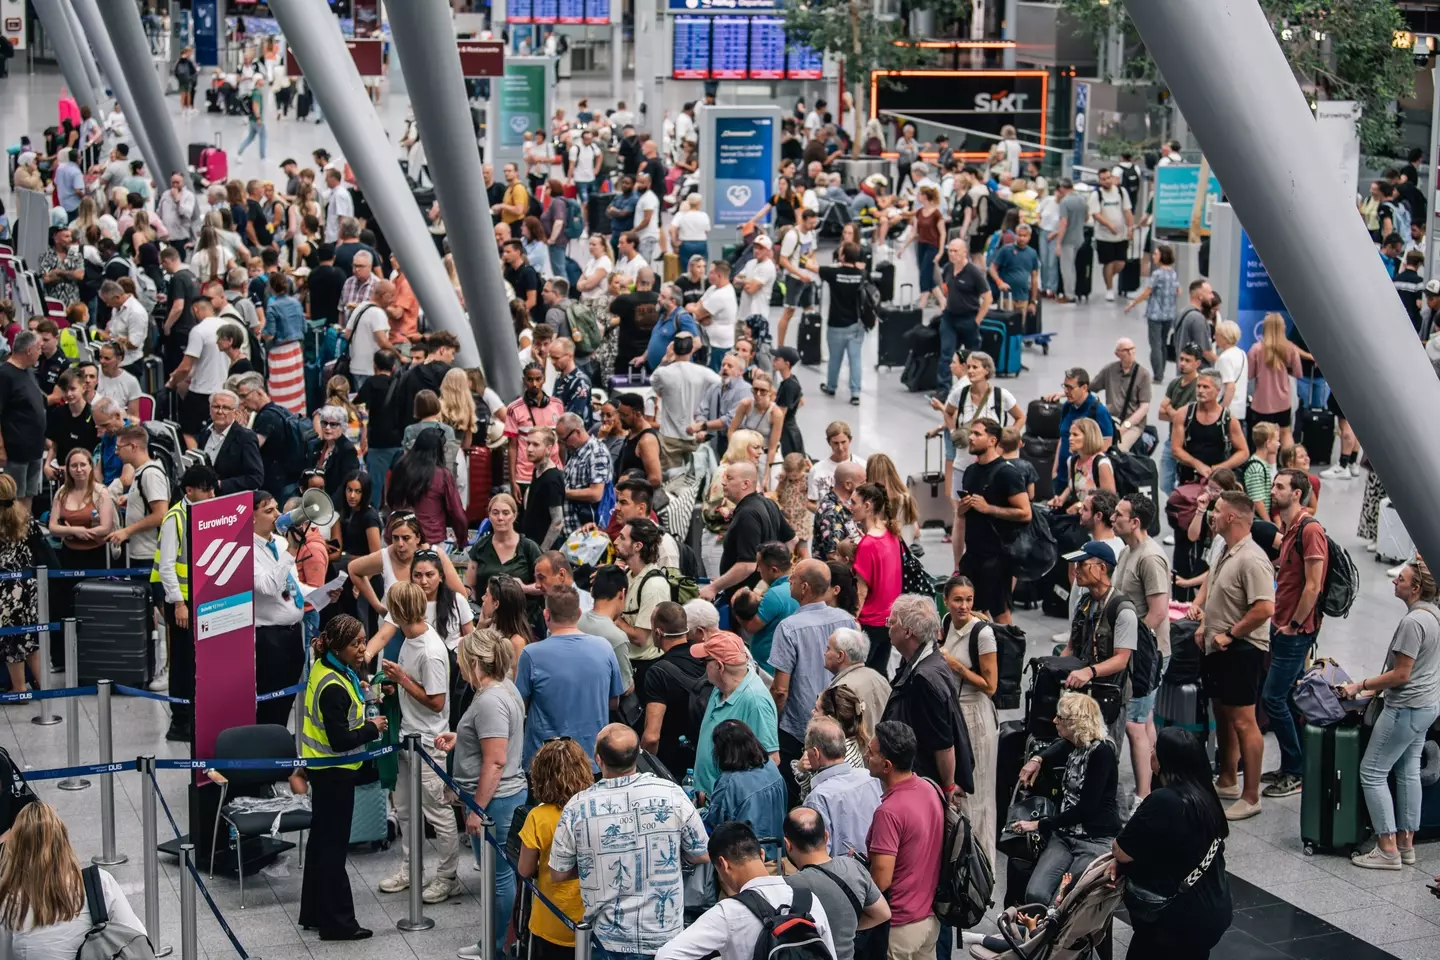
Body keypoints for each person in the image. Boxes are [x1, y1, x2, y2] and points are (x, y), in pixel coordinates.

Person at [550, 725, 710, 958]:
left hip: (606, 940)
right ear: (638, 754)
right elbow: (702, 853)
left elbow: (558, 873)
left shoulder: (578, 807)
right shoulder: (673, 794)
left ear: (598, 759)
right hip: (665, 939)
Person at [1338, 559, 1440, 870]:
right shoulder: (1435, 615)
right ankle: (1406, 846)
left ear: (1416, 588)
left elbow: (1400, 675)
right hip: (1426, 706)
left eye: (1402, 579)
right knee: (1408, 770)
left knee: (1372, 771)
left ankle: (1386, 848)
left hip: (1405, 707)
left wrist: (1361, 686)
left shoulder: (1413, 623)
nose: (1394, 582)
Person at [434, 629, 526, 958]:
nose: (458, 667)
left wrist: (478, 810)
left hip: (495, 803)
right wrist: (463, 738)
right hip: (500, 798)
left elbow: (497, 760)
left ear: (474, 662)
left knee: (498, 877)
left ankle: (496, 945)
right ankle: (496, 940)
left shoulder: (490, 699)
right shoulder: (504, 688)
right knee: (497, 875)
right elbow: (496, 741)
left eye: (461, 661)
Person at [297, 615, 386, 941]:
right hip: (334, 772)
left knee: (320, 843)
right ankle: (338, 923)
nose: (363, 648)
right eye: (356, 643)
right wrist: (371, 727)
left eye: (363, 640)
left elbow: (345, 703)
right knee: (333, 850)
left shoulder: (327, 668)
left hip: (323, 771)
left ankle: (314, 912)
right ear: (337, 645)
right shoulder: (332, 685)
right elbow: (340, 738)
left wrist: (364, 694)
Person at [1112, 728, 1232, 959]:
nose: (1152, 751)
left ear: (1166, 761)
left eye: (1156, 748)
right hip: (1212, 906)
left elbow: (1122, 851)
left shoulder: (1164, 800)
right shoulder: (1205, 795)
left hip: (1175, 918)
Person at [374, 582, 460, 903]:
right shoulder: (410, 641)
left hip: (428, 743)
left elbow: (437, 702)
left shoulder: (431, 651)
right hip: (406, 738)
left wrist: (402, 680)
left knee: (438, 813)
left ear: (398, 612)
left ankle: (447, 876)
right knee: (407, 812)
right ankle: (412, 869)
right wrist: (396, 688)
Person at [1193, 491, 1275, 821]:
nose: (1211, 514)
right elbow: (1217, 594)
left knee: (1244, 720)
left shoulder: (1252, 558)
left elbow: (1265, 608)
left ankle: (1251, 795)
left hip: (1242, 650)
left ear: (1232, 517)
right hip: (1219, 648)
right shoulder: (1226, 551)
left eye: (1217, 510)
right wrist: (1204, 624)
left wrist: (1231, 633)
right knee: (1223, 713)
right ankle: (1227, 778)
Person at [657, 820, 837, 960]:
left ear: (723, 864)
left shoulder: (728, 912)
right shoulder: (807, 899)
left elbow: (666, 955)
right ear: (762, 854)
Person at [1013, 691, 1120, 904]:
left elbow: (1086, 809)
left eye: (1060, 718)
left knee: (1061, 903)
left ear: (1076, 723)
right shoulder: (1075, 743)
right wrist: (1038, 759)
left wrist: (1038, 825)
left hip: (1094, 839)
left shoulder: (1102, 753)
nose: (1054, 721)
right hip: (1064, 835)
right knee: (1035, 895)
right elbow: (1059, 747)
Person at [0, 802, 148, 954]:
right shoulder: (98, 882)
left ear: (16, 849)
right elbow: (137, 938)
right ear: (64, 841)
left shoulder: (7, 899)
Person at [1260, 469, 1328, 801]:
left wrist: (1295, 625)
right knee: (1288, 697)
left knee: (1272, 697)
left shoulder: (1310, 529)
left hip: (1295, 630)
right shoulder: (1290, 529)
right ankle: (1293, 764)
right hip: (1283, 624)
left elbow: (1313, 585)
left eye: (1281, 487)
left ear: (1298, 493)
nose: (1274, 491)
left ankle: (1296, 771)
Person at [767, 560, 857, 790]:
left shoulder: (788, 628)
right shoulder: (846, 620)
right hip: (841, 726)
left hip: (798, 730)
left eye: (793, 577)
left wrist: (771, 723)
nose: (789, 580)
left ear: (804, 587)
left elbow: (780, 690)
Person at [516, 586, 625, 767]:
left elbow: (520, 707)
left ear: (546, 615)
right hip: (590, 759)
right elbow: (614, 702)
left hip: (545, 762)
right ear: (580, 613)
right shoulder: (604, 648)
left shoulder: (531, 654)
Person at [865, 720, 944, 960]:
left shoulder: (888, 813)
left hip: (899, 929)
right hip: (929, 921)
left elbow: (881, 880)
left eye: (871, 752)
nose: (866, 755)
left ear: (887, 765)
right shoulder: (931, 789)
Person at [152, 464, 219, 741]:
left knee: (200, 662)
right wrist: (179, 603)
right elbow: (167, 567)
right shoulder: (175, 518)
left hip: (202, 600)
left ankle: (197, 714)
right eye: (206, 489)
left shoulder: (208, 512)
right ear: (189, 490)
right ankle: (180, 721)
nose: (212, 494)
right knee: (182, 663)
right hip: (181, 603)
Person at [880, 595, 972, 795]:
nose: (888, 626)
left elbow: (944, 744)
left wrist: (947, 788)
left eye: (892, 621)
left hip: (922, 784)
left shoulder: (924, 678)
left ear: (907, 632)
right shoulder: (922, 660)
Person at [936, 576, 999, 866]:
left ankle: (982, 862)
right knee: (956, 787)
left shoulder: (983, 634)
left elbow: (990, 685)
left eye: (969, 600)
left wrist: (957, 666)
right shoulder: (947, 622)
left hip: (976, 714)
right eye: (958, 599)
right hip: (953, 711)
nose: (963, 606)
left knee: (978, 790)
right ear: (947, 600)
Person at [516, 738, 591, 960]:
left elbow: (524, 869)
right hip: (590, 920)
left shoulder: (538, 817)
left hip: (551, 920)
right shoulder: (593, 809)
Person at [956, 419, 1032, 623]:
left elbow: (1025, 512)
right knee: (972, 610)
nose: (971, 437)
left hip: (997, 557)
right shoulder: (971, 472)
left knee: (1000, 611)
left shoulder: (1007, 473)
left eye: (977, 434)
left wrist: (989, 508)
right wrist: (962, 510)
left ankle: (1009, 652)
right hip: (973, 554)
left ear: (992, 440)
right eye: (971, 433)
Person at [691, 630, 780, 798]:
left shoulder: (755, 701)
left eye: (705, 661)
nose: (703, 666)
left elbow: (771, 761)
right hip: (709, 802)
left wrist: (733, 799)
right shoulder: (720, 689)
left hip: (728, 809)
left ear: (719, 666)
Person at [700, 462, 795, 604]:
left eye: (729, 478)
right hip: (759, 595)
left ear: (746, 484)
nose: (723, 483)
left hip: (745, 603)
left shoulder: (747, 514)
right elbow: (792, 540)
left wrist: (713, 588)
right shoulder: (768, 503)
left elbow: (747, 565)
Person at [799, 713, 884, 860]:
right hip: (879, 868)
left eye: (806, 751)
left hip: (843, 878)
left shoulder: (818, 798)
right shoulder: (869, 777)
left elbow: (818, 858)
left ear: (815, 753)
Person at [0, 474, 56, 693]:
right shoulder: (25, 518)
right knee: (31, 638)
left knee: (10, 640)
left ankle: (19, 688)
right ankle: (44, 686)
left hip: (4, 589)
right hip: (27, 585)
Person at [639, 600, 708, 774]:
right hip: (707, 754)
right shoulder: (706, 655)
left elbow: (651, 737)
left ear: (658, 632)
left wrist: (643, 768)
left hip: (674, 764)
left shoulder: (658, 672)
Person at [703, 720, 788, 856]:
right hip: (778, 857)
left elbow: (714, 825)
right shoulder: (771, 768)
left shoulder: (729, 782)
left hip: (747, 860)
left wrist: (698, 813)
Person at [388, 429, 468, 548]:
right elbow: (457, 513)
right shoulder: (442, 475)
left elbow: (390, 500)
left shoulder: (400, 466)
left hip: (398, 538)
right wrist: (462, 541)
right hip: (430, 540)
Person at [650, 333, 719, 468]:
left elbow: (654, 383)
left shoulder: (663, 372)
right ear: (692, 349)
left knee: (669, 481)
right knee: (696, 482)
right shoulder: (704, 373)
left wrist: (665, 358)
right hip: (694, 433)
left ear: (673, 348)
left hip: (670, 436)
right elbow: (720, 385)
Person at [0, 334, 50, 510]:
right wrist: (1, 449)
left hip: (34, 450)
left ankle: (25, 533)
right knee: (14, 498)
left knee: (30, 494)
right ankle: (12, 534)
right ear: (29, 350)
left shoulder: (29, 371)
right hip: (15, 452)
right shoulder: (5, 375)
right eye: (38, 348)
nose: (40, 352)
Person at [1172, 369, 1248, 485]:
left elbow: (1243, 452)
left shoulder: (1228, 420)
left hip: (1218, 482)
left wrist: (1219, 468)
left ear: (1217, 390)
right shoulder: (1183, 414)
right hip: (1189, 479)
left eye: (1206, 387)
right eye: (1199, 386)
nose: (1200, 391)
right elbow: (1176, 449)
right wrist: (1197, 464)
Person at [465, 494, 543, 603]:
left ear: (514, 516)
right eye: (495, 513)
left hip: (524, 616)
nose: (500, 518)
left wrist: (524, 588)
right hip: (489, 616)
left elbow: (548, 584)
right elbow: (469, 586)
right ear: (489, 516)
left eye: (506, 513)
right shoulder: (480, 547)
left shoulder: (529, 547)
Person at [1090, 339, 1152, 452]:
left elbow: (1144, 408)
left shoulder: (1143, 374)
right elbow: (1089, 388)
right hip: (1111, 419)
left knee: (1117, 450)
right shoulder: (1109, 370)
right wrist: (1065, 393)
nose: (1130, 352)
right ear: (1117, 354)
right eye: (1126, 350)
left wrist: (1126, 426)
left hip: (1132, 424)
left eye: (1132, 349)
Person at [1087, 168, 1133, 302]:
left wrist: (1130, 228)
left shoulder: (1121, 192)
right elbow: (1096, 214)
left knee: (1120, 263)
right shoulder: (1096, 194)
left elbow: (1127, 211)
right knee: (1108, 262)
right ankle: (1109, 288)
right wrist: (1109, 225)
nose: (1107, 181)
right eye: (1103, 179)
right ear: (1100, 180)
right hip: (1104, 236)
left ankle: (1108, 277)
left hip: (1121, 235)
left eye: (1108, 178)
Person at [690, 261, 740, 372]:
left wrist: (697, 312)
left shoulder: (722, 295)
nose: (708, 275)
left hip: (718, 346)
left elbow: (697, 314)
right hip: (711, 343)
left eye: (711, 272)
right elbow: (698, 305)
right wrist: (699, 312)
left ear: (719, 275)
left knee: (715, 376)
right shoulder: (714, 288)